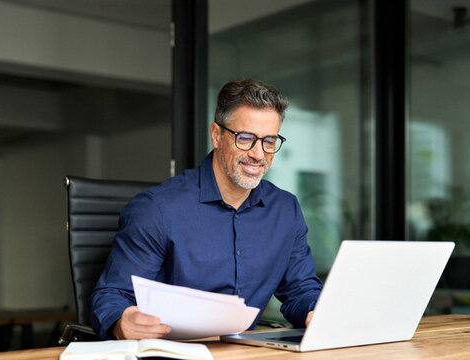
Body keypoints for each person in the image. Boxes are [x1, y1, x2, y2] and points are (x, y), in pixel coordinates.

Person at [91, 78, 323, 340]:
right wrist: (122, 322)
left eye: (269, 141)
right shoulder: (158, 209)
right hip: (171, 353)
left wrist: (316, 311)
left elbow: (301, 290)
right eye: (246, 138)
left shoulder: (285, 210)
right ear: (216, 135)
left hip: (244, 354)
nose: (259, 154)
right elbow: (112, 295)